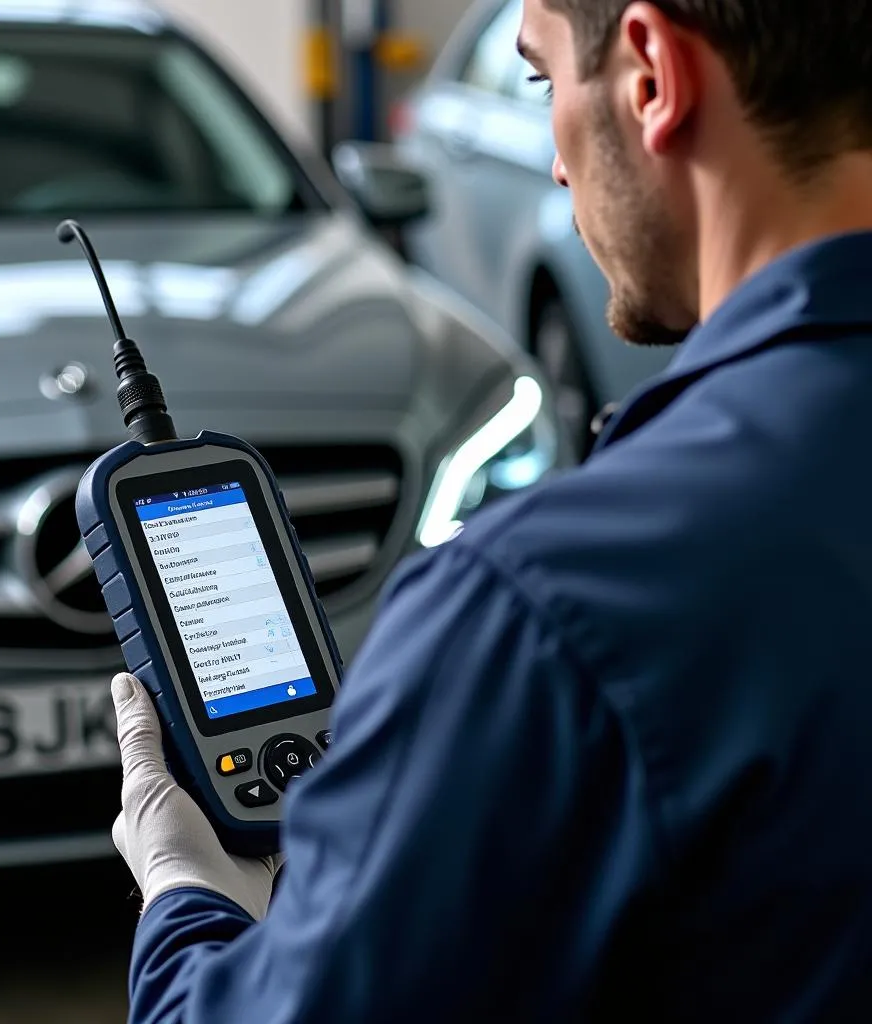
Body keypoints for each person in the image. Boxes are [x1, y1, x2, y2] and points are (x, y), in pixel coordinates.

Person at [109, 0, 872, 1019]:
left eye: (541, 78)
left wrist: (185, 899)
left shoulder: (551, 608)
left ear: (649, 75)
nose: (557, 163)